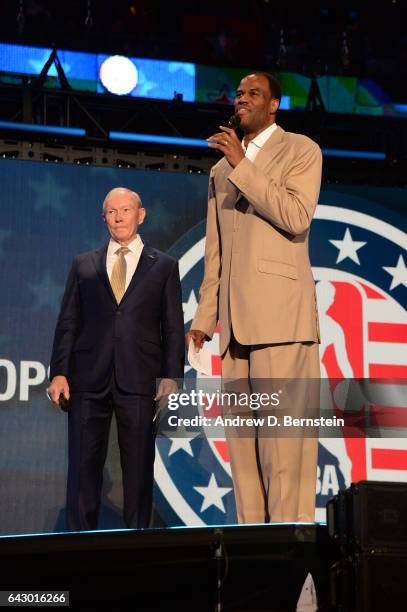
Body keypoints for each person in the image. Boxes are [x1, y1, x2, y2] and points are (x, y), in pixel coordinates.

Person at [186, 72, 322, 524]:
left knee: (285, 458)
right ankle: (254, 566)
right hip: (234, 329)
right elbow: (216, 250)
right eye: (239, 93)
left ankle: (296, 574)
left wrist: (244, 164)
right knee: (244, 462)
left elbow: (296, 216)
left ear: (274, 104)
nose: (243, 99)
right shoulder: (219, 169)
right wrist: (206, 315)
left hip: (282, 323)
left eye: (254, 94)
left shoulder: (301, 150)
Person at [48, 187, 184, 531]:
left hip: (139, 378)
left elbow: (172, 326)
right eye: (111, 211)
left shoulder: (164, 266)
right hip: (87, 378)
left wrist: (171, 375)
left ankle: (138, 542)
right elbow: (68, 322)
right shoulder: (84, 264)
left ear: (141, 214)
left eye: (125, 210)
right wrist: (60, 372)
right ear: (104, 218)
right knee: (82, 466)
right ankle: (79, 543)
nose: (119, 216)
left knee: (138, 467)